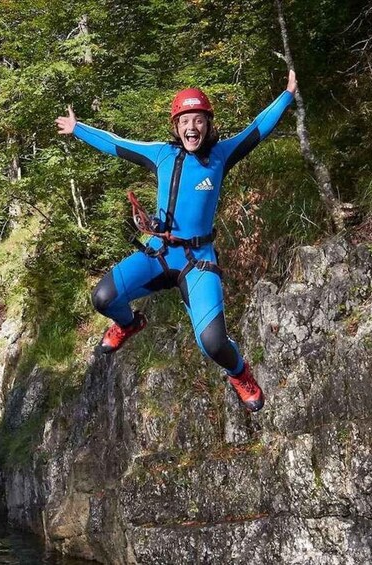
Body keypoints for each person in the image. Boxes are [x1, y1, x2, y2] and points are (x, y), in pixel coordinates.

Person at [55, 70, 297, 412]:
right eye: (184, 121)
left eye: (198, 120)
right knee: (103, 297)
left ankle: (240, 373)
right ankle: (129, 323)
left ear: (208, 125)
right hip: (158, 253)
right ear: (176, 126)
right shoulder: (161, 154)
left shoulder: (220, 156)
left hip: (197, 261)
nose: (191, 127)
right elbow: (118, 144)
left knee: (213, 343)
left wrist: (286, 95)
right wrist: (79, 129)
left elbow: (256, 129)